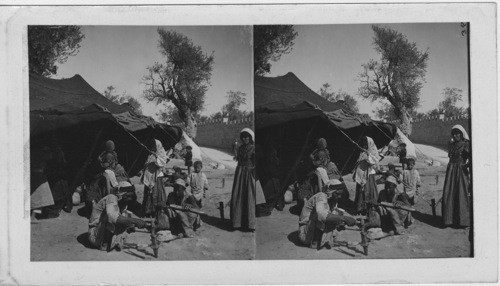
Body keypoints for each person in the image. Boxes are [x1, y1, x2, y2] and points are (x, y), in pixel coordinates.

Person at [298, 179, 357, 249]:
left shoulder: (332, 200)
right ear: (330, 192)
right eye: (337, 194)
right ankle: (314, 243)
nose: (339, 197)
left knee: (336, 214)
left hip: (311, 229)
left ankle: (321, 240)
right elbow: (322, 215)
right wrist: (345, 218)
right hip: (305, 234)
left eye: (340, 194)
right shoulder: (321, 196)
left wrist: (339, 223)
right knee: (321, 216)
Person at [442, 125, 471, 227]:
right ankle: (449, 220)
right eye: (453, 133)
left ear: (462, 134)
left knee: (461, 194)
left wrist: (466, 166)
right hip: (450, 172)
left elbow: (471, 158)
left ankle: (462, 221)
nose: (455, 135)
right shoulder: (451, 144)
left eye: (457, 133)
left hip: (461, 172)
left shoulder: (466, 144)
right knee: (449, 193)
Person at [230, 128, 257, 231]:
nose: (245, 139)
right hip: (240, 174)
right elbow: (238, 159)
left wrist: (252, 171)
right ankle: (238, 222)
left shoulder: (253, 148)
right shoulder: (240, 148)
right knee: (238, 195)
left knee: (249, 196)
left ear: (251, 138)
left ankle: (249, 224)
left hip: (249, 174)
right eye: (244, 137)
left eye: (247, 137)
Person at [141, 139, 169, 217]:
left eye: (154, 145)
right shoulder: (151, 154)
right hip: (150, 177)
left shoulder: (161, 152)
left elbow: (162, 163)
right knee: (149, 194)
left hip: (157, 177)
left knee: (156, 194)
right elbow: (146, 164)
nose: (153, 147)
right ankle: (148, 211)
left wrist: (156, 157)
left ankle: (156, 211)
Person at [353, 136, 381, 214]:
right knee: (361, 191)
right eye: (364, 144)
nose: (365, 145)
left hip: (369, 174)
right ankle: (360, 208)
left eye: (366, 144)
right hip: (362, 173)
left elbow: (374, 161)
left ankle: (369, 208)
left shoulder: (373, 150)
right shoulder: (363, 152)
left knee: (369, 191)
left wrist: (368, 155)